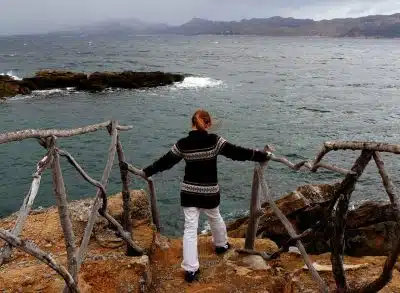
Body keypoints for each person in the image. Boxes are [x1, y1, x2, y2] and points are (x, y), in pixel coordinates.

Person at [140, 109, 272, 282]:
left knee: (189, 228)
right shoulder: (214, 141)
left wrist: (147, 171)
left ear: (191, 123)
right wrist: (263, 155)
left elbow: (166, 161)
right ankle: (221, 246)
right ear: (208, 124)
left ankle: (190, 269)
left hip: (189, 192)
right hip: (210, 191)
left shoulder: (182, 144)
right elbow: (238, 153)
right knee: (215, 216)